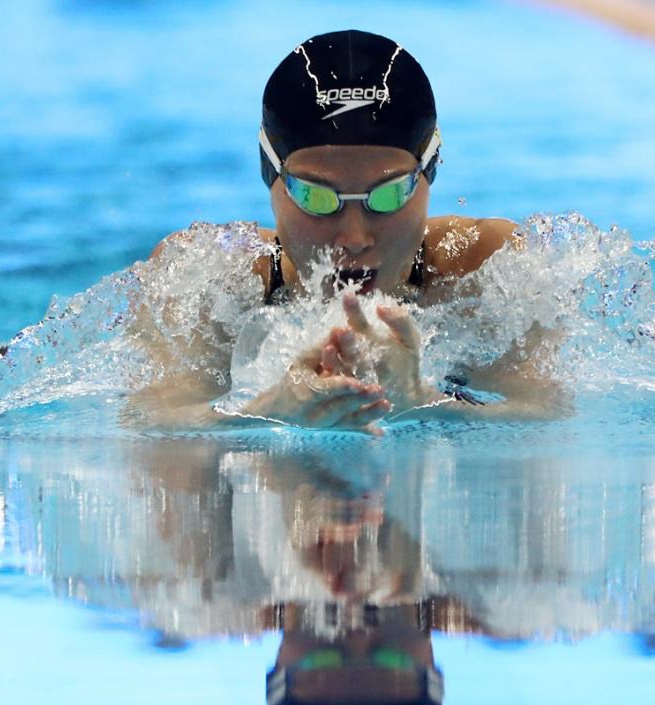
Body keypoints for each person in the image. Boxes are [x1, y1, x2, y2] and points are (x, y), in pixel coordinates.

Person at [130, 30, 567, 432]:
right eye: (318, 197)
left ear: (429, 172)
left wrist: (424, 402)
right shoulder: (208, 284)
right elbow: (150, 430)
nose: (355, 237)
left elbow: (550, 422)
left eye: (388, 195)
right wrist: (263, 412)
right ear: (270, 176)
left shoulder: (484, 274)